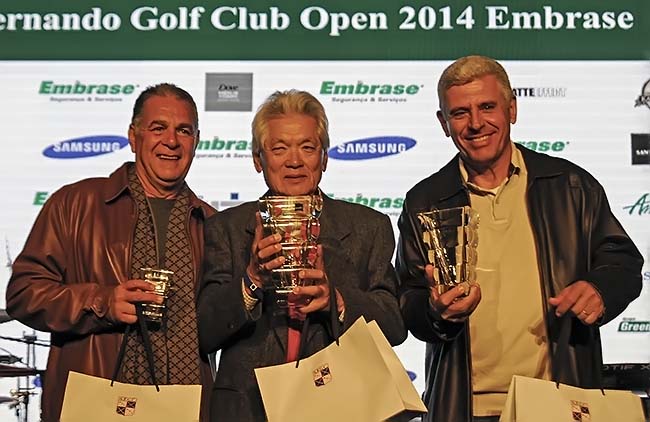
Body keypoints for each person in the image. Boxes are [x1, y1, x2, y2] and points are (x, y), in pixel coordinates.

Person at [396, 56, 643, 422]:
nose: (476, 123)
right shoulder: (424, 201)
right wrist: (435, 311)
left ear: (512, 109)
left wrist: (600, 287)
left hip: (558, 406)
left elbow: (622, 262)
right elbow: (408, 300)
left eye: (487, 107)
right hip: (465, 410)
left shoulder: (571, 185)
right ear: (443, 124)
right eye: (460, 113)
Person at [6, 83, 216, 422]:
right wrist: (103, 302)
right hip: (97, 403)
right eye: (158, 127)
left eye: (184, 131)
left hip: (185, 406)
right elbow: (22, 294)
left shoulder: (211, 224)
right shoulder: (76, 204)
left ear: (196, 141)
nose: (172, 141)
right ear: (133, 137)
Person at [197, 89, 407, 421]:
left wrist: (335, 300)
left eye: (307, 147)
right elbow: (205, 331)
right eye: (279, 148)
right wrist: (251, 281)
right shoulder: (226, 228)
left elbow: (394, 327)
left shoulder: (370, 227)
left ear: (323, 157)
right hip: (247, 409)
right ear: (258, 160)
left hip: (340, 406)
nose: (294, 161)